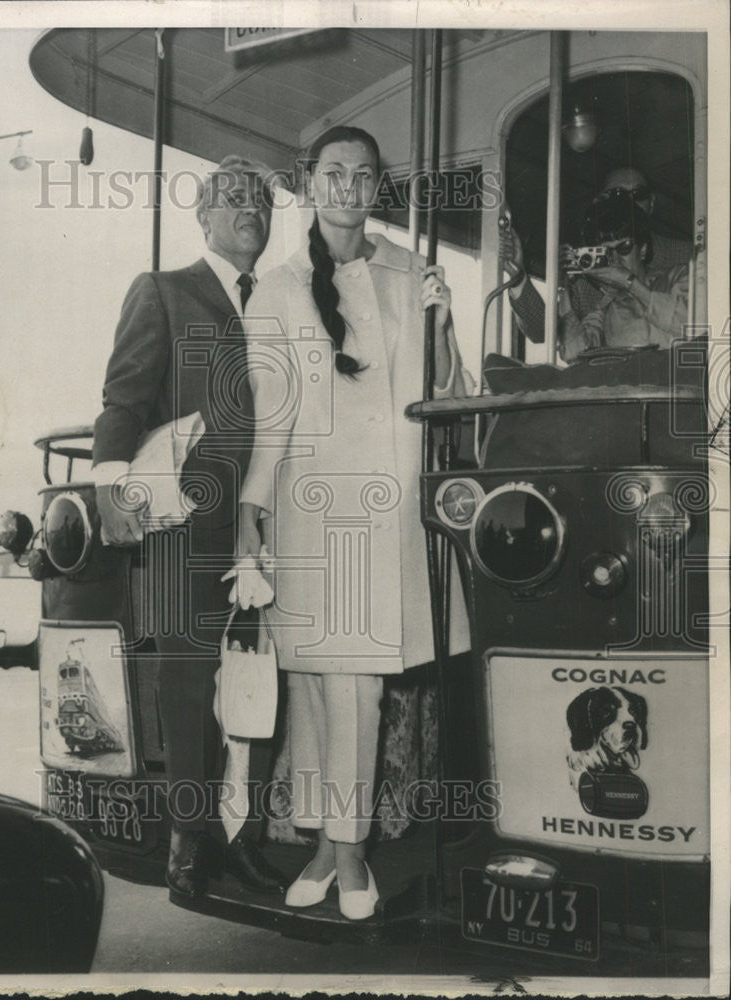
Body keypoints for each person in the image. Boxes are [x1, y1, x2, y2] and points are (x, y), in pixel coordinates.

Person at [237, 126, 470, 920]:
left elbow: (447, 399)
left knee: (358, 689)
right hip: (305, 509)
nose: (347, 185)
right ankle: (326, 846)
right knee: (310, 687)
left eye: (363, 174)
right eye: (332, 172)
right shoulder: (276, 286)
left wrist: (441, 323)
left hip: (383, 509)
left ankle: (351, 851)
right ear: (310, 182)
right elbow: (271, 420)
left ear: (378, 187)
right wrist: (249, 520)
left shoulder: (411, 273)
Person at [91, 156, 286, 899]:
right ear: (201, 217)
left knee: (260, 682)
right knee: (185, 683)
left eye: (261, 202)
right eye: (234, 200)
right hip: (183, 526)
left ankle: (242, 838)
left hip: (262, 525)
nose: (250, 213)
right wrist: (110, 483)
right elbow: (123, 396)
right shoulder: (164, 291)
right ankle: (188, 842)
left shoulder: (283, 299)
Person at [500, 167, 691, 344]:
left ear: (651, 202)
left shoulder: (687, 255)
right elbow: (543, 333)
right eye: (617, 196)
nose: (626, 202)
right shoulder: (585, 277)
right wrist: (518, 279)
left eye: (638, 194)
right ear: (600, 203)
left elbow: (702, 323)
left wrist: (631, 284)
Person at [556, 197, 688, 361]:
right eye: (607, 252)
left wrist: (631, 284)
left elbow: (692, 325)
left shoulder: (677, 277)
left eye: (624, 248)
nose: (616, 259)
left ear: (643, 249)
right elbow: (574, 354)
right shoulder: (607, 306)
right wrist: (563, 288)